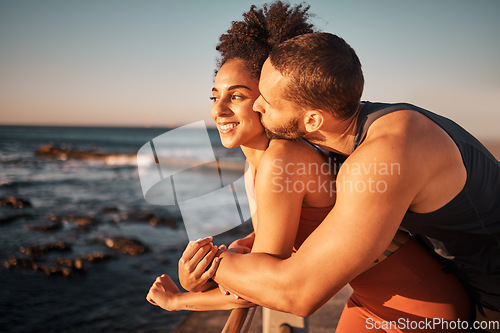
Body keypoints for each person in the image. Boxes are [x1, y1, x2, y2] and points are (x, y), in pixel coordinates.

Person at [147, 3, 471, 332]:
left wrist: (182, 296)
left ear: (269, 98)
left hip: (420, 306)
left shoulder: (283, 159)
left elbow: (273, 286)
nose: (219, 110)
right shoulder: (260, 167)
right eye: (215, 96)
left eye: (238, 96)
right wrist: (231, 255)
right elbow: (267, 264)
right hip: (372, 300)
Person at [201, 32, 500, 331]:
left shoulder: (381, 158)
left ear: (312, 121)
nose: (257, 106)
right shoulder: (362, 128)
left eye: (268, 101)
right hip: (458, 283)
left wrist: (213, 265)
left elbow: (296, 293)